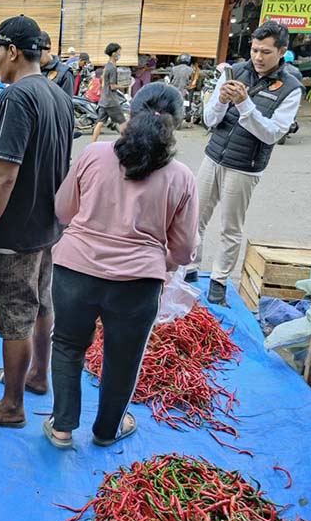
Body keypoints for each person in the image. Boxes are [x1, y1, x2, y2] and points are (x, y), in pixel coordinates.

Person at [43, 82, 199, 449]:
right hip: (138, 283)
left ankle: (63, 427)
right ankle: (107, 430)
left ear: (130, 115)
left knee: (67, 345)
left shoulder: (94, 154)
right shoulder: (181, 177)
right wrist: (161, 258)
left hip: (74, 272)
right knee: (123, 358)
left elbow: (63, 210)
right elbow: (183, 250)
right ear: (175, 124)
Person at [0, 15, 74, 428]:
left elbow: (5, 175)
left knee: (14, 317)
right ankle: (38, 376)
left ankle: (11, 405)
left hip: (15, 230)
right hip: (47, 227)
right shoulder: (58, 95)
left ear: (12, 51)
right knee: (41, 303)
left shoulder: (15, 98)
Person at [187, 21, 304, 305]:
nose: (258, 57)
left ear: (282, 52)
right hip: (214, 156)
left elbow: (273, 133)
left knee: (230, 226)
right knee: (194, 218)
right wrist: (220, 102)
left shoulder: (290, 89)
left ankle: (218, 280)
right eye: (254, 50)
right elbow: (210, 120)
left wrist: (243, 104)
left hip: (245, 167)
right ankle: (189, 269)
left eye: (265, 51)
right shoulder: (235, 72)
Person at [92, 43, 128, 142]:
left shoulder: (107, 66)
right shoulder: (112, 68)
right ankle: (128, 142)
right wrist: (125, 85)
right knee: (122, 122)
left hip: (104, 99)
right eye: (119, 52)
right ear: (114, 53)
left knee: (100, 123)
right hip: (111, 101)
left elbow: (103, 82)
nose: (120, 54)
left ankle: (93, 143)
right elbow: (112, 86)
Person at [38, 31, 74, 96]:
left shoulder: (65, 74)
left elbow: (66, 104)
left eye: (39, 53)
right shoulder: (29, 70)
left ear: (49, 48)